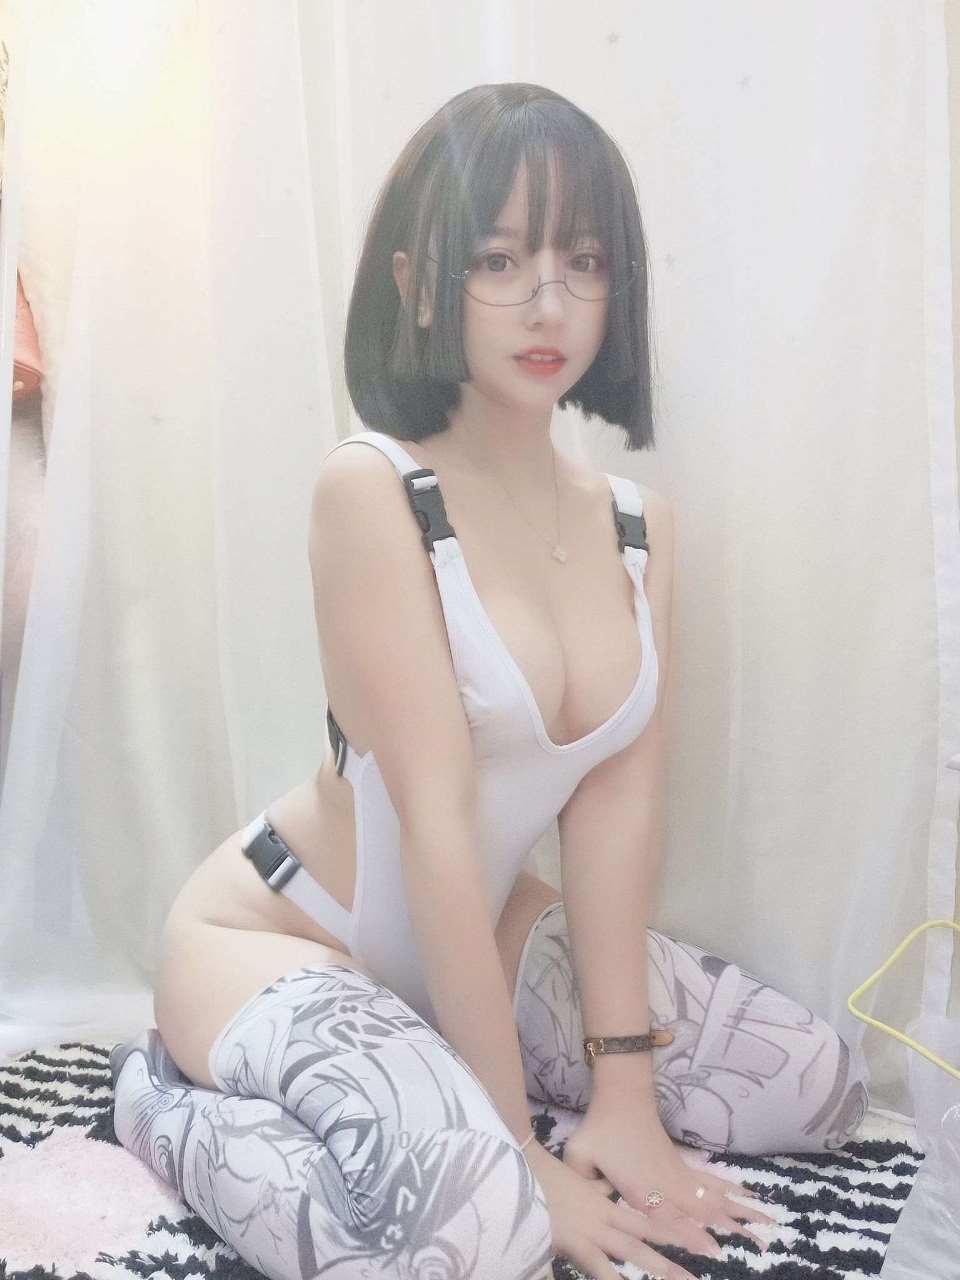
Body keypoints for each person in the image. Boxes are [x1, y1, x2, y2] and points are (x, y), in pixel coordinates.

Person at [111, 82, 869, 1280]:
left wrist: (625, 1097)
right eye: (500, 260)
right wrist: (521, 1151)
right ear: (419, 281)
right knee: (476, 1229)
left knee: (812, 1085)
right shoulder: (372, 490)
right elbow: (438, 825)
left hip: (485, 941)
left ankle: (443, 1076)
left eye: (584, 260)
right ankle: (161, 1093)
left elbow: (615, 817)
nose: (548, 301)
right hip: (287, 931)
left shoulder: (640, 527)